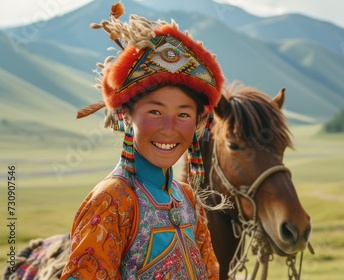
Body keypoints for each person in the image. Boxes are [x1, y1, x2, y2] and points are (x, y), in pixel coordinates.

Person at [60, 2, 228, 279]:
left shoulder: (187, 198)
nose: (169, 128)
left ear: (199, 122)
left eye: (183, 114)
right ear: (126, 115)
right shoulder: (111, 201)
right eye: (155, 112)